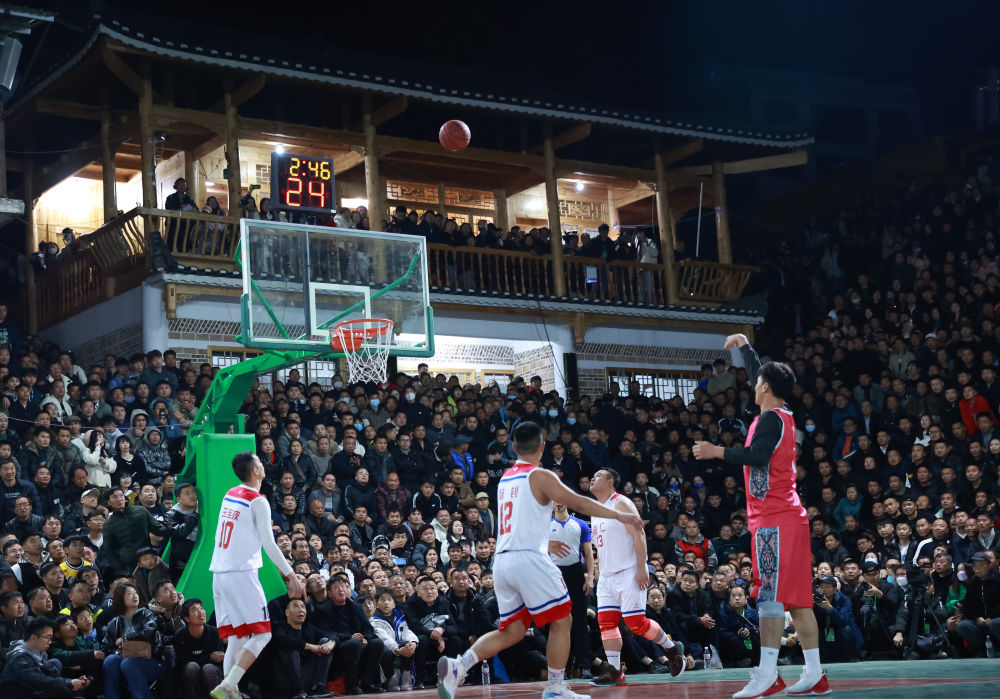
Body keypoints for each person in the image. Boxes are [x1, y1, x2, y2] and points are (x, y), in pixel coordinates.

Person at [436, 421, 645, 699]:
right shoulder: (539, 476)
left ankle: (459, 666)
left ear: (513, 447)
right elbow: (578, 502)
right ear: (543, 447)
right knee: (563, 620)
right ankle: (556, 687)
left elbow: (524, 518)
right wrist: (620, 515)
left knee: (512, 630)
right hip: (529, 559)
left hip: (503, 562)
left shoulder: (505, 478)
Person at [694, 334, 828, 699]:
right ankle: (815, 673)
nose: (753, 384)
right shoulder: (782, 412)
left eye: (758, 382)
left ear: (765, 387)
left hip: (775, 519)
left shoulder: (769, 420)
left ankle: (768, 674)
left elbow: (756, 457)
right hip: (789, 517)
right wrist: (746, 347)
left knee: (769, 598)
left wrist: (716, 451)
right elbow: (762, 373)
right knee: (797, 601)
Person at [208, 452, 305, 699]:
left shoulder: (230, 493)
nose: (263, 465)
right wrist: (291, 575)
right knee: (263, 633)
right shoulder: (257, 501)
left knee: (238, 636)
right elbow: (269, 544)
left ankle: (230, 692)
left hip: (219, 574)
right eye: (260, 463)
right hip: (241, 573)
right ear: (255, 471)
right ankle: (229, 684)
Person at [588, 468, 684, 685]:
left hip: (629, 571)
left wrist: (642, 567)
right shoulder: (594, 509)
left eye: (598, 476)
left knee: (635, 623)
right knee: (606, 623)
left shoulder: (621, 502)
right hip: (607, 576)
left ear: (611, 482)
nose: (593, 478)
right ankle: (615, 670)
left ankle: (671, 648)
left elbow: (639, 533)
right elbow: (601, 545)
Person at [547, 501, 597, 679]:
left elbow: (588, 553)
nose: (558, 504)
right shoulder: (545, 525)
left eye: (561, 500)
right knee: (559, 623)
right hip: (554, 575)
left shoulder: (580, 524)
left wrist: (590, 577)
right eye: (554, 501)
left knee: (580, 622)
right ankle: (563, 667)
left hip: (575, 573)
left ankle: (584, 666)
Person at [0, 617, 92, 698]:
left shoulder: (39, 654)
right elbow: (37, 681)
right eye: (48, 637)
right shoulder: (19, 657)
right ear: (33, 638)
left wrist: (75, 681)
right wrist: (69, 683)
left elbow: (53, 676)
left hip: (33, 693)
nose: (50, 642)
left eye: (51, 638)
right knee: (60, 689)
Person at [173, 598, 225, 699]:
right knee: (191, 667)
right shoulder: (180, 636)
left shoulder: (214, 632)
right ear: (187, 619)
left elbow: (219, 658)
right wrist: (209, 657)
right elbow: (182, 661)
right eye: (194, 609)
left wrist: (203, 659)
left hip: (212, 675)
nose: (201, 612)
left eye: (201, 608)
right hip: (190, 677)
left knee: (208, 669)